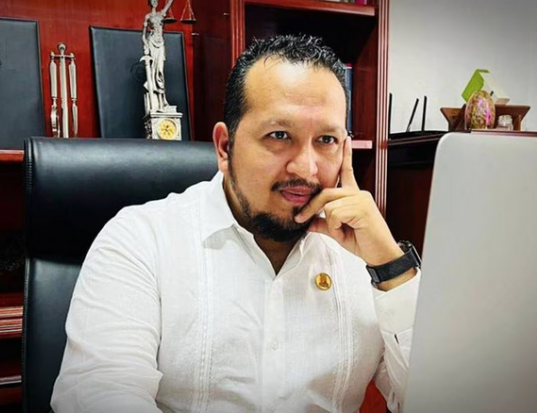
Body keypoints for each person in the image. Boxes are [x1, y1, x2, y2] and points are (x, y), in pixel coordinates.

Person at [51, 34, 420, 413]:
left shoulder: (363, 256)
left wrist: (391, 266)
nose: (306, 169)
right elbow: (101, 394)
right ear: (225, 147)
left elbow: (436, 396)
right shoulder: (141, 241)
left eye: (326, 139)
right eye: (279, 136)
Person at [142, 0, 174, 113]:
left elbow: (169, 2)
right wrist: (146, 46)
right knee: (153, 71)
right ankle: (158, 104)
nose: (155, 2)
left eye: (156, 0)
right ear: (150, 2)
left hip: (161, 44)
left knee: (160, 71)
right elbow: (143, 36)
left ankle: (163, 101)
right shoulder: (148, 17)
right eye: (153, 0)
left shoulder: (162, 14)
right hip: (152, 43)